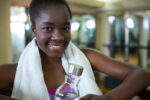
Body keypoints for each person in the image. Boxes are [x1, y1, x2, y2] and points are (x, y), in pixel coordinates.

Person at [0, 0, 150, 100]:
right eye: (47, 28)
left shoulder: (88, 57)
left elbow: (142, 75)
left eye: (65, 28)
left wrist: (106, 98)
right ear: (34, 30)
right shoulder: (15, 72)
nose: (58, 37)